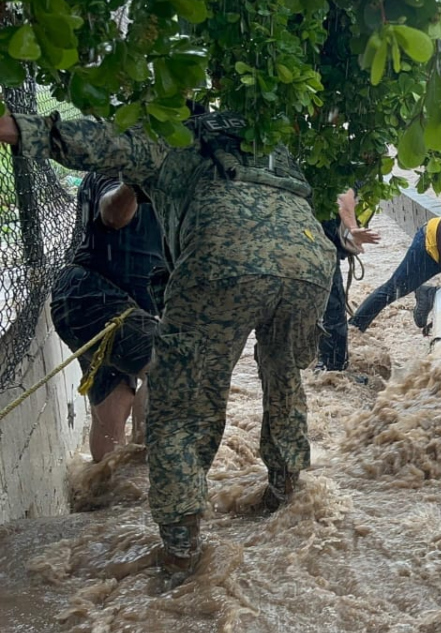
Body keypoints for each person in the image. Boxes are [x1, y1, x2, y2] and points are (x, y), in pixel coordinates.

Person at [0, 106, 335, 589]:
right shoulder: (267, 138)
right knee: (283, 377)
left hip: (223, 254)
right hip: (309, 258)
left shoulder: (174, 136)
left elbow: (102, 142)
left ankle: (181, 556)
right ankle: (286, 496)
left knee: (182, 406)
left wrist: (21, 127)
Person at [50, 173, 165, 462]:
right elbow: (113, 214)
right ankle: (145, 483)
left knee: (112, 409)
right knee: (168, 367)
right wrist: (136, 183)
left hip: (88, 303)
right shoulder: (117, 167)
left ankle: (107, 497)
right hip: (94, 298)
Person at [316, 188, 380, 372]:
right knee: (333, 311)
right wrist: (353, 229)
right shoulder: (351, 166)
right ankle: (333, 370)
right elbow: (344, 196)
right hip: (321, 246)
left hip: (301, 241)